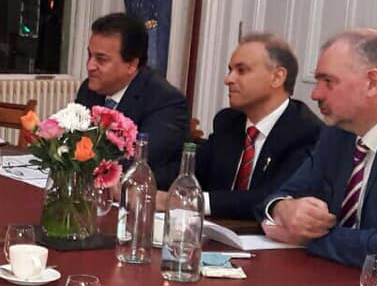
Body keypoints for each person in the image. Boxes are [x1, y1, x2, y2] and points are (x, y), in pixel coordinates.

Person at [261, 29, 377, 276]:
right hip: (341, 280)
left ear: (372, 83)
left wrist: (309, 238)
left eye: (328, 81)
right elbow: (280, 194)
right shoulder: (340, 130)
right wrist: (283, 208)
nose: (315, 94)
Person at [156, 34, 321, 219]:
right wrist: (143, 182)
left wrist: (187, 202)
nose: (228, 79)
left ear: (277, 77)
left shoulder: (306, 132)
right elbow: (190, 170)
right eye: (230, 70)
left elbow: (272, 198)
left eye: (241, 71)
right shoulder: (228, 122)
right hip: (217, 231)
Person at [76, 12, 189, 188]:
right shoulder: (89, 90)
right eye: (89, 55)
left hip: (137, 198)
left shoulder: (165, 102)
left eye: (101, 59)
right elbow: (73, 142)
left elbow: (138, 163)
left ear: (131, 65)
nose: (90, 66)